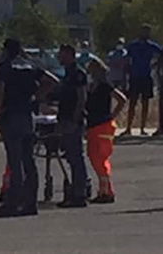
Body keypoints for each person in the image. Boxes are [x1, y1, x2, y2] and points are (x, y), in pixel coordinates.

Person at [0, 38, 58, 218]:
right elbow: (52, 81)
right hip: (28, 116)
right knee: (29, 161)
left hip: (10, 115)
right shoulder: (30, 65)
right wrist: (36, 98)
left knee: (14, 161)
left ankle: (12, 204)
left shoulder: (5, 67)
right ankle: (30, 202)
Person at [86, 58, 127, 204]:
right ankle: (104, 189)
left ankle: (107, 191)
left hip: (103, 125)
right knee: (93, 156)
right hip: (93, 125)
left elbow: (122, 99)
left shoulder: (105, 86)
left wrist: (112, 116)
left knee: (100, 158)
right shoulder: (91, 86)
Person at [57, 44, 90, 208]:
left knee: (76, 157)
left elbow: (81, 97)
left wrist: (75, 118)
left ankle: (80, 194)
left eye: (62, 54)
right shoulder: (66, 73)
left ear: (70, 55)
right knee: (70, 157)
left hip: (73, 120)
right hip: (64, 118)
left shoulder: (78, 73)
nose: (59, 57)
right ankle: (74, 192)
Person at [121, 24, 162, 136]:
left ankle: (142, 128)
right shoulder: (133, 45)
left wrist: (156, 65)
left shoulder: (152, 46)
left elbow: (161, 53)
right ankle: (128, 128)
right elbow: (126, 58)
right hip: (135, 76)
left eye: (148, 32)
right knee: (132, 102)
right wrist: (126, 71)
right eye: (144, 31)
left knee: (145, 103)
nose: (146, 34)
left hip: (146, 76)